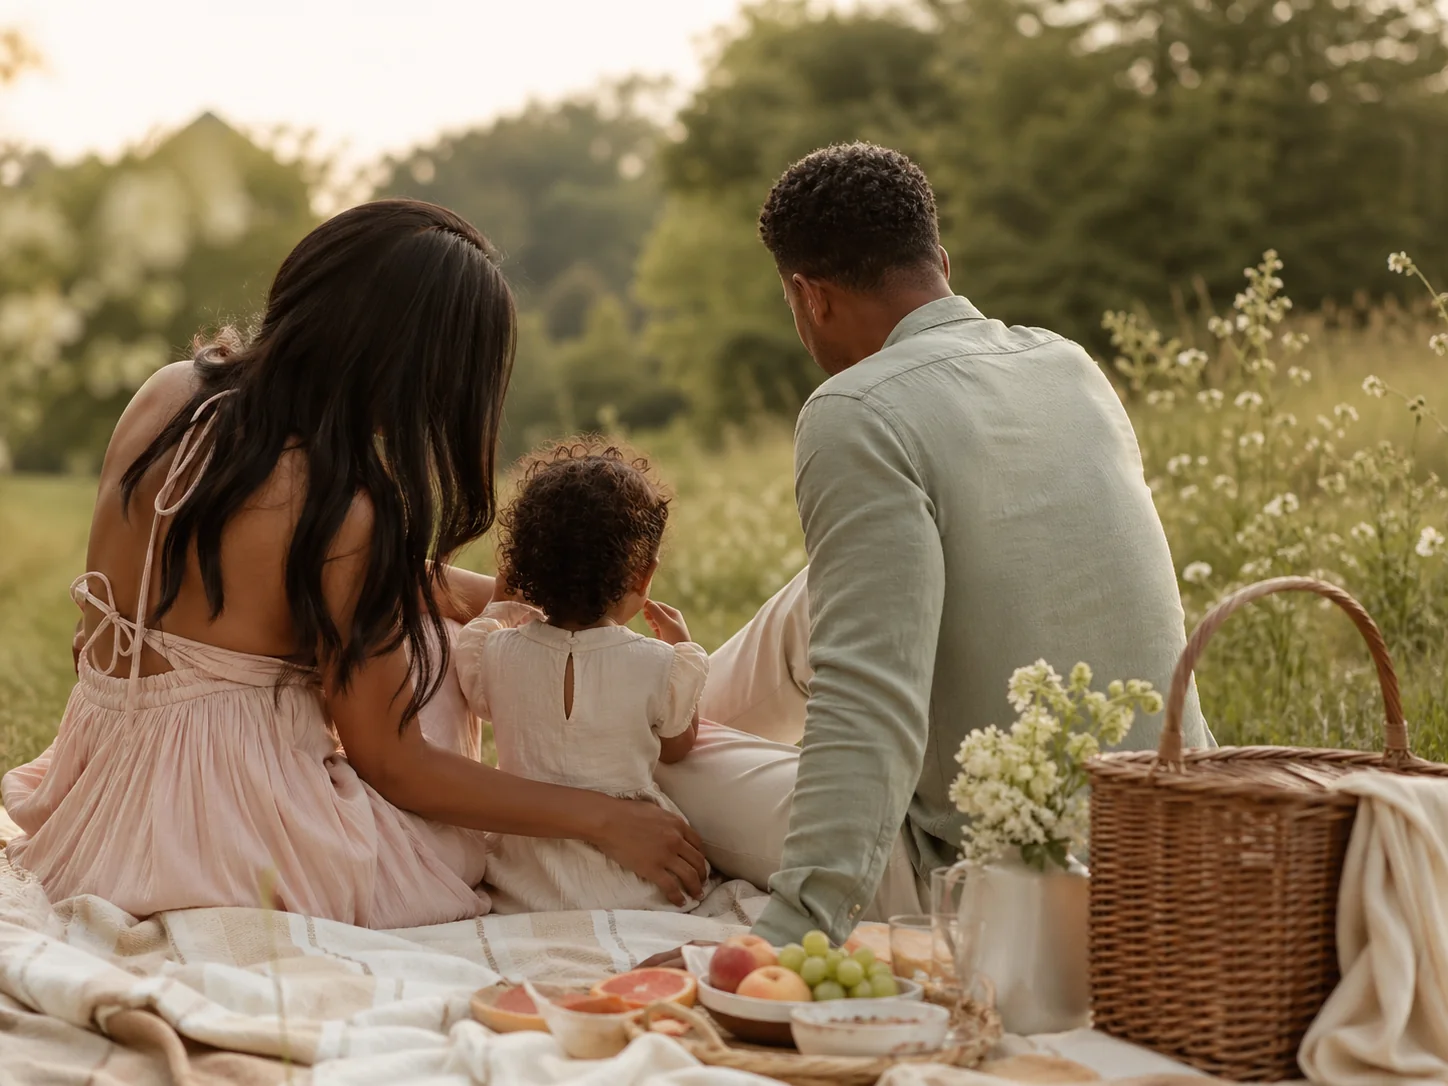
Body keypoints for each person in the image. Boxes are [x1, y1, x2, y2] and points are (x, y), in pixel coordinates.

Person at [1, 199, 707, 928]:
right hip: (226, 835)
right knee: (431, 655)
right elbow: (398, 767)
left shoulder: (172, 392)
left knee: (431, 620)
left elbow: (256, 577)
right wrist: (602, 819)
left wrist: (486, 596)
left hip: (108, 790)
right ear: (419, 370)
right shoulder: (345, 507)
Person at [654, 143, 1212, 945]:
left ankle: (653, 718)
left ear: (810, 297)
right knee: (823, 592)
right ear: (940, 261)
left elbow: (868, 698)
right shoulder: (1071, 365)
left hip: (990, 871)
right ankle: (675, 699)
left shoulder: (854, 409)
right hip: (1169, 825)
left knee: (657, 760)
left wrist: (797, 931)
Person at [454, 441, 713, 913]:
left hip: (524, 879)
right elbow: (678, 745)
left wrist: (498, 604)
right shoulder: (661, 664)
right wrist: (680, 647)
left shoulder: (491, 652)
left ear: (524, 567)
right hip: (632, 877)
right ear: (644, 576)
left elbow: (481, 684)